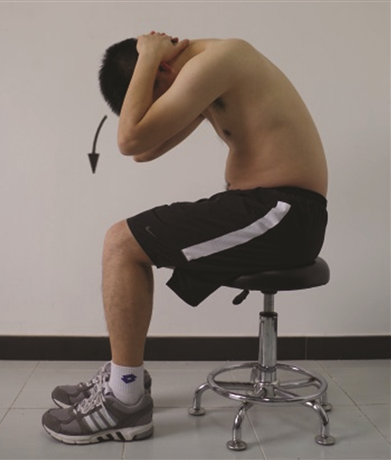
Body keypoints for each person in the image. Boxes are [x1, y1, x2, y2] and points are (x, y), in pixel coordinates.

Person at [42, 32, 328, 444]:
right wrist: (152, 73)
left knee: (121, 244)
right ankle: (125, 379)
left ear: (161, 70)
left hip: (282, 214)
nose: (158, 106)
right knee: (123, 243)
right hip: (266, 210)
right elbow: (143, 150)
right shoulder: (207, 73)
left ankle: (124, 399)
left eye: (155, 95)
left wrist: (148, 55)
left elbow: (128, 139)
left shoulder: (221, 59)